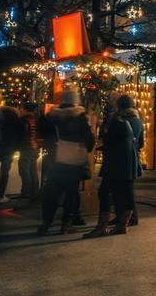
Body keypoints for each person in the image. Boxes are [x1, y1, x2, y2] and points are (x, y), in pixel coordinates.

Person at [85, 95, 144, 238]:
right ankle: (122, 224)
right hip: (131, 160)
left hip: (116, 160)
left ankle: (102, 226)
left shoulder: (117, 120)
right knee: (127, 191)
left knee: (105, 191)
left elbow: (108, 139)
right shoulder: (138, 120)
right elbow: (140, 143)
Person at [38, 89, 94, 235]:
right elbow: (89, 138)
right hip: (74, 160)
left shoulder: (52, 115)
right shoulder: (81, 116)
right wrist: (84, 148)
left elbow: (42, 133)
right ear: (76, 100)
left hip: (54, 158)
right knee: (72, 193)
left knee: (52, 192)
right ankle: (66, 224)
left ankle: (46, 222)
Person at [0, 104, 26, 201]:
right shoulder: (17, 120)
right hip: (9, 148)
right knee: (5, 172)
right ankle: (1, 194)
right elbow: (22, 135)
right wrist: (17, 147)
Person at [18, 102, 40, 199]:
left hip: (26, 147)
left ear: (25, 109)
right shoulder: (37, 119)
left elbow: (22, 134)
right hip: (35, 147)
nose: (20, 110)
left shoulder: (23, 120)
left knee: (24, 170)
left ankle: (26, 192)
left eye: (22, 108)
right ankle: (34, 192)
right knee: (33, 170)